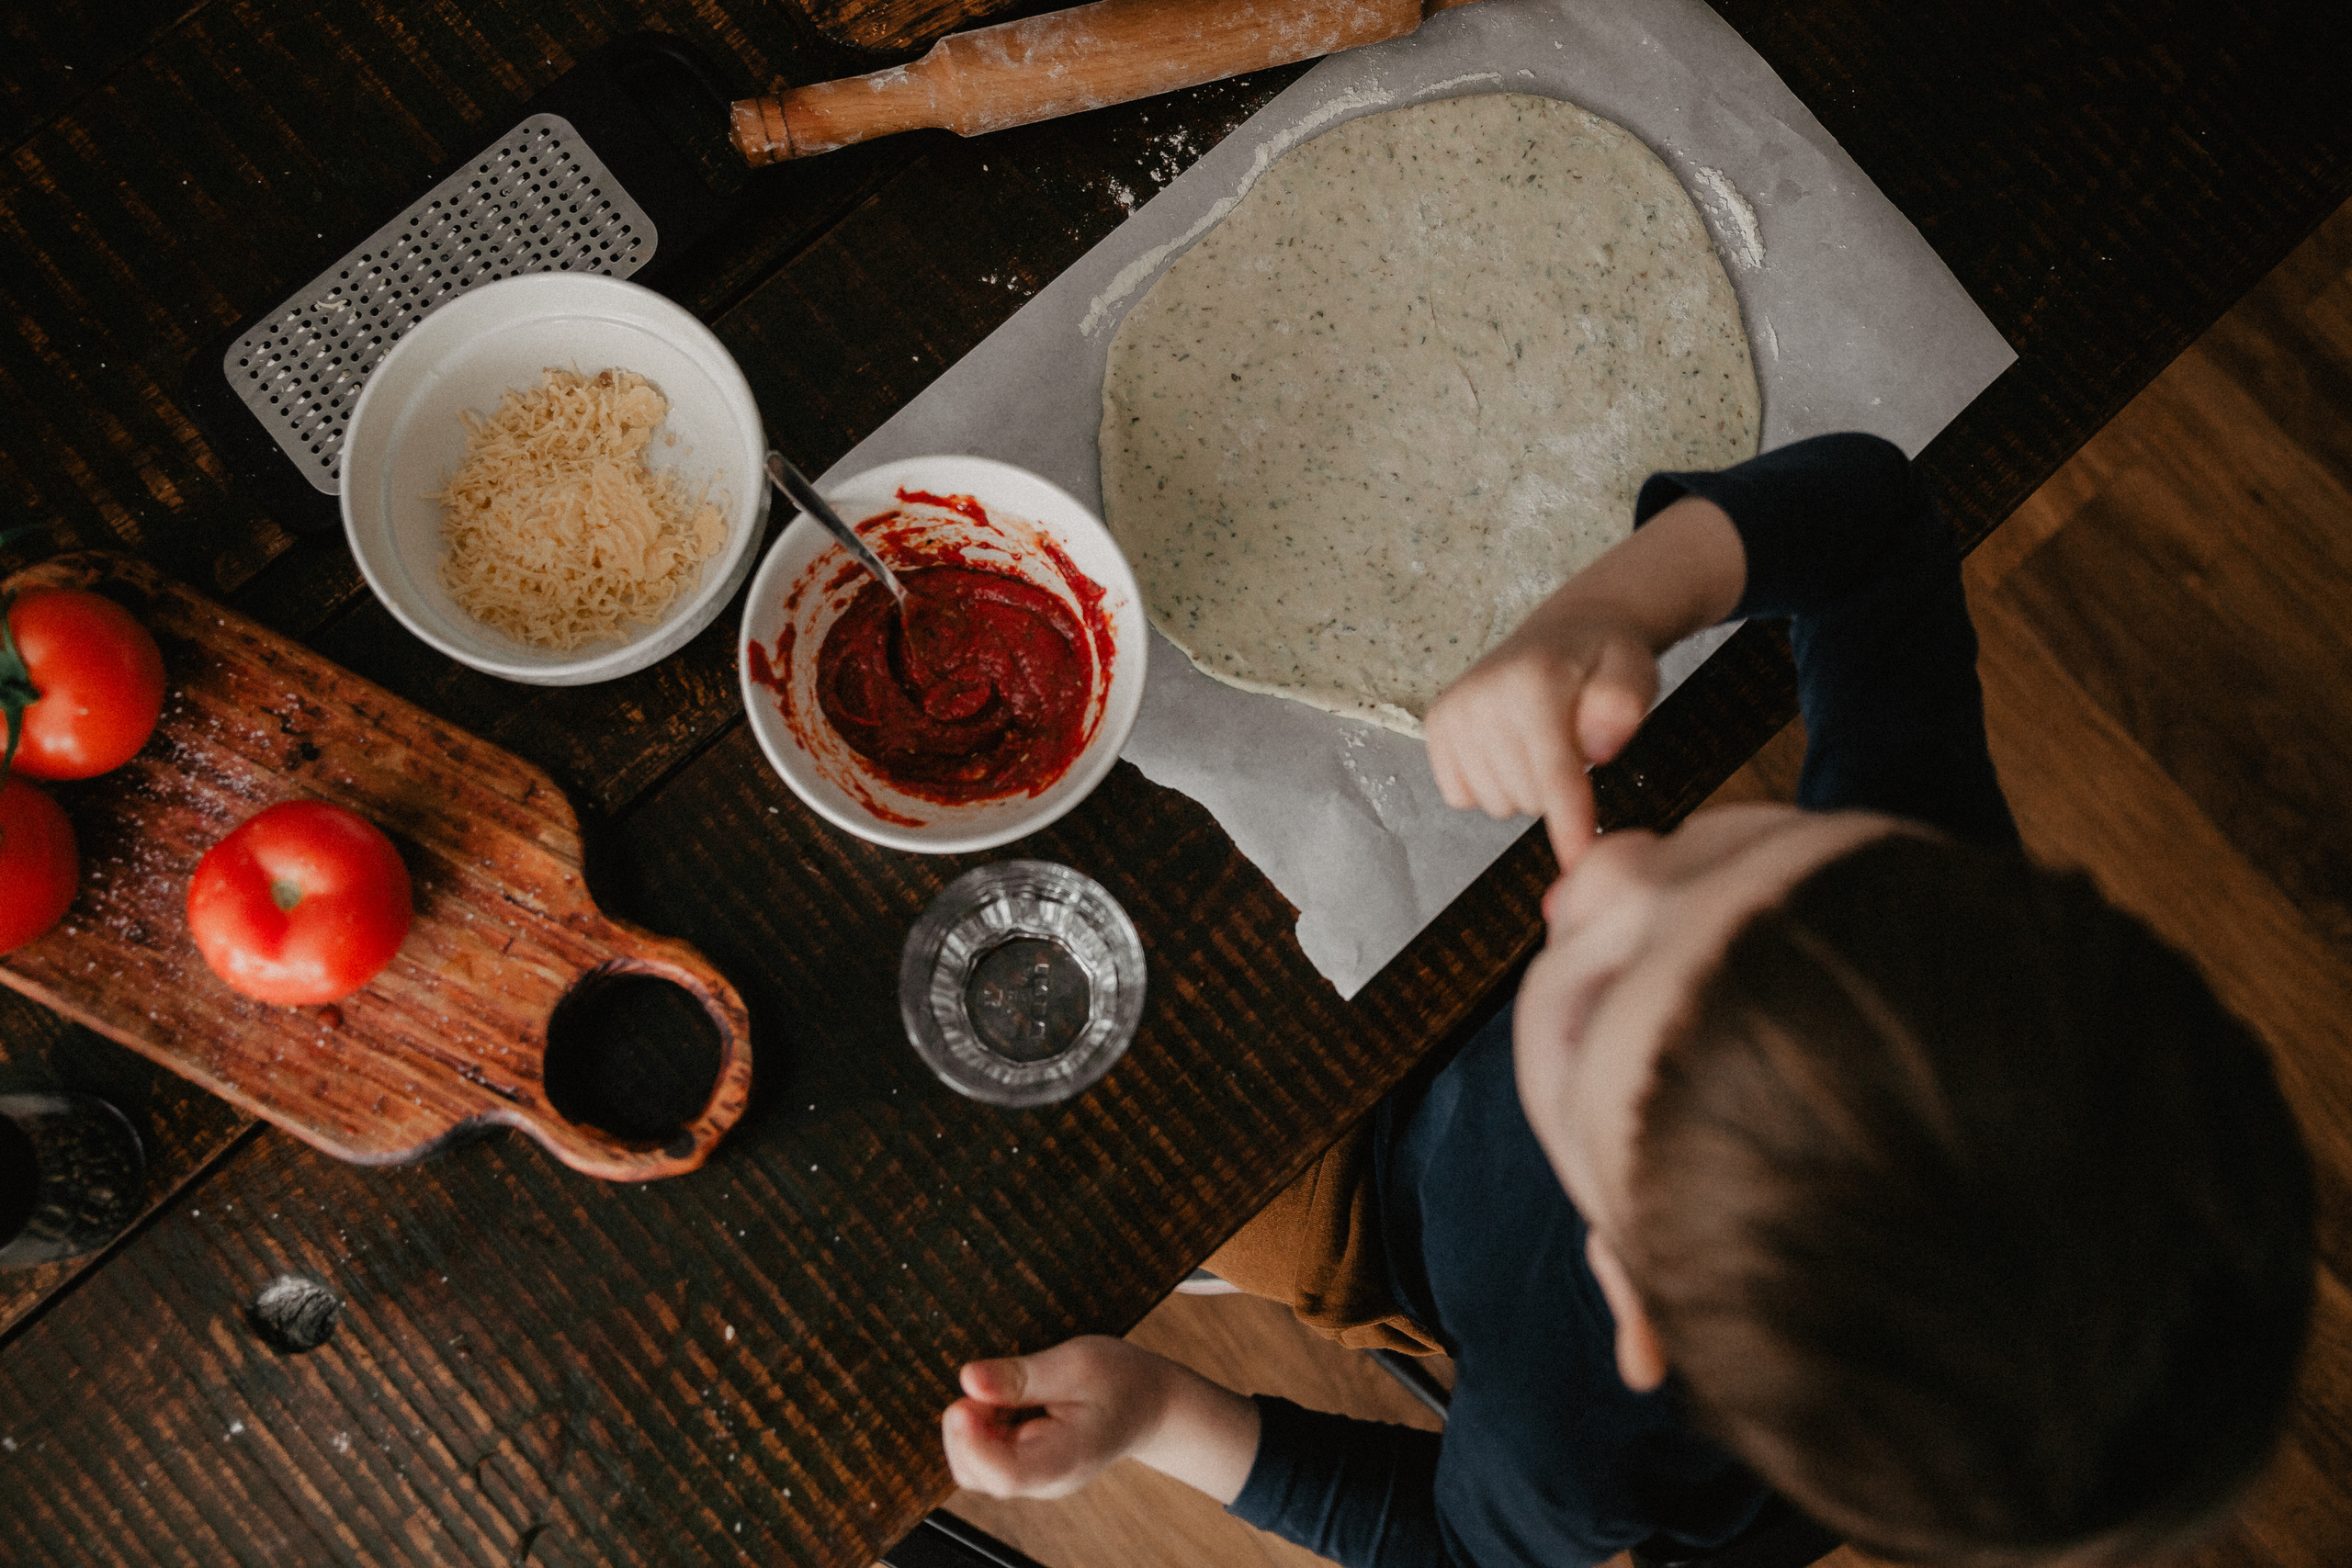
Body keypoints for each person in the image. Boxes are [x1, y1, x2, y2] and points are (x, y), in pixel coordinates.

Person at [938, 434, 2316, 1568]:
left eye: (1600, 999)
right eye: (1755, 857)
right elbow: (1880, 521)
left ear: (1628, 1292)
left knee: (1064, 1138)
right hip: (1461, 1014)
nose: (1615, 876)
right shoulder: (1922, 911)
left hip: (1378, 1212)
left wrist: (1159, 1412)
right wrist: (1618, 605)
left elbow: (1452, 1550)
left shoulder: (1576, 1428)